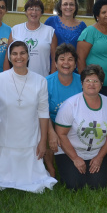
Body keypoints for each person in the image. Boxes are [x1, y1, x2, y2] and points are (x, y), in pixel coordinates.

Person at [0, 41, 57, 192]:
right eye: (15, 54)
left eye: (22, 53)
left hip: (30, 135)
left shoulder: (40, 81)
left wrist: (43, 140)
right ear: (9, 57)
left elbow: (43, 112)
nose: (19, 57)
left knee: (33, 179)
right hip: (5, 134)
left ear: (28, 55)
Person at [54, 65, 107, 190]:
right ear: (82, 83)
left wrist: (99, 157)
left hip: (96, 152)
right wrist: (75, 158)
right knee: (74, 185)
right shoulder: (70, 104)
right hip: (70, 151)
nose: (91, 84)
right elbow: (61, 133)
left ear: (101, 84)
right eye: (88, 80)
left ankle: (93, 165)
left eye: (95, 81)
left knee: (98, 185)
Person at [45, 43, 82, 177]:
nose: (66, 63)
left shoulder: (82, 82)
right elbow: (44, 112)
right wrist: (51, 133)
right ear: (55, 63)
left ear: (75, 64)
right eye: (62, 59)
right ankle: (50, 169)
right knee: (45, 132)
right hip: (52, 121)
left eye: (70, 59)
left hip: (76, 122)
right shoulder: (46, 82)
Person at [77, 0, 107, 96]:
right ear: (97, 15)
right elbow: (80, 59)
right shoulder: (89, 32)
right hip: (94, 86)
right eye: (103, 12)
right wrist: (85, 82)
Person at [6, 0, 57, 77]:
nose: (34, 12)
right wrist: (7, 76)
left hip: (42, 78)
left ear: (41, 13)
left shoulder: (50, 32)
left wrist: (52, 78)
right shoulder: (15, 29)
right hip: (18, 78)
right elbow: (7, 56)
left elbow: (55, 58)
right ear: (26, 12)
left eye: (37, 9)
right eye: (31, 8)